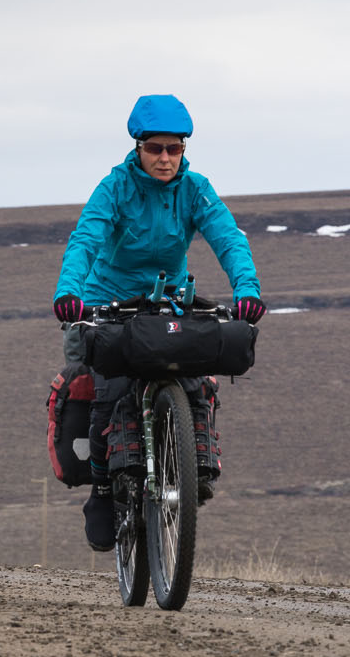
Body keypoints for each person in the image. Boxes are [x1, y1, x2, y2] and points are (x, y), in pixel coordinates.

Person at [52, 94, 266, 552]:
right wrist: (68, 293)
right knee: (107, 393)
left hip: (166, 299)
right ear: (138, 148)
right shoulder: (114, 188)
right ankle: (103, 491)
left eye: (175, 149)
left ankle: (190, 467)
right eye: (157, 149)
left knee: (193, 383)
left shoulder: (195, 189)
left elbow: (228, 238)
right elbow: (86, 237)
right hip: (107, 301)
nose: (166, 159)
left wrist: (247, 291)